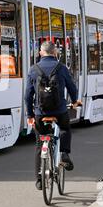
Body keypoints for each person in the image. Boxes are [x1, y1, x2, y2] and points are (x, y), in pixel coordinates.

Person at [25, 41, 82, 190]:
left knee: (39, 144)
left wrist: (30, 114)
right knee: (65, 129)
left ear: (40, 53)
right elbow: (72, 87)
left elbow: (27, 95)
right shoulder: (61, 68)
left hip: (40, 113)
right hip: (59, 111)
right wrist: (75, 101)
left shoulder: (33, 69)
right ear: (55, 52)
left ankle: (39, 179)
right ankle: (64, 153)